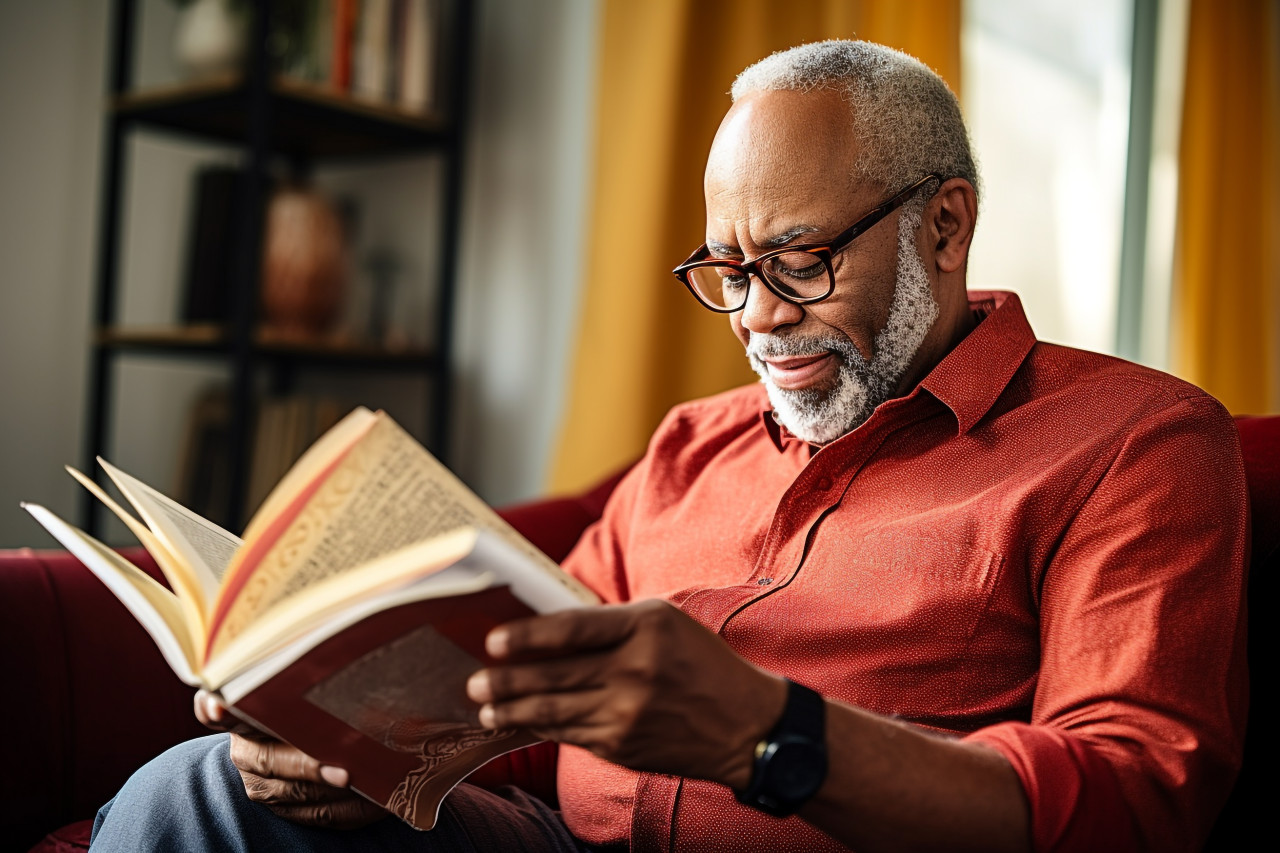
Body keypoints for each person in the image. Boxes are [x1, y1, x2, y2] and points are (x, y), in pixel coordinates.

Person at [89, 39, 1247, 853]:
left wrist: (767, 733)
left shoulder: (1133, 444)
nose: (753, 316)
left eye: (798, 260)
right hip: (546, 839)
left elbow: (1132, 802)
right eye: (725, 271)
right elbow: (522, 696)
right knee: (203, 794)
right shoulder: (690, 446)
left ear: (943, 225)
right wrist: (347, 741)